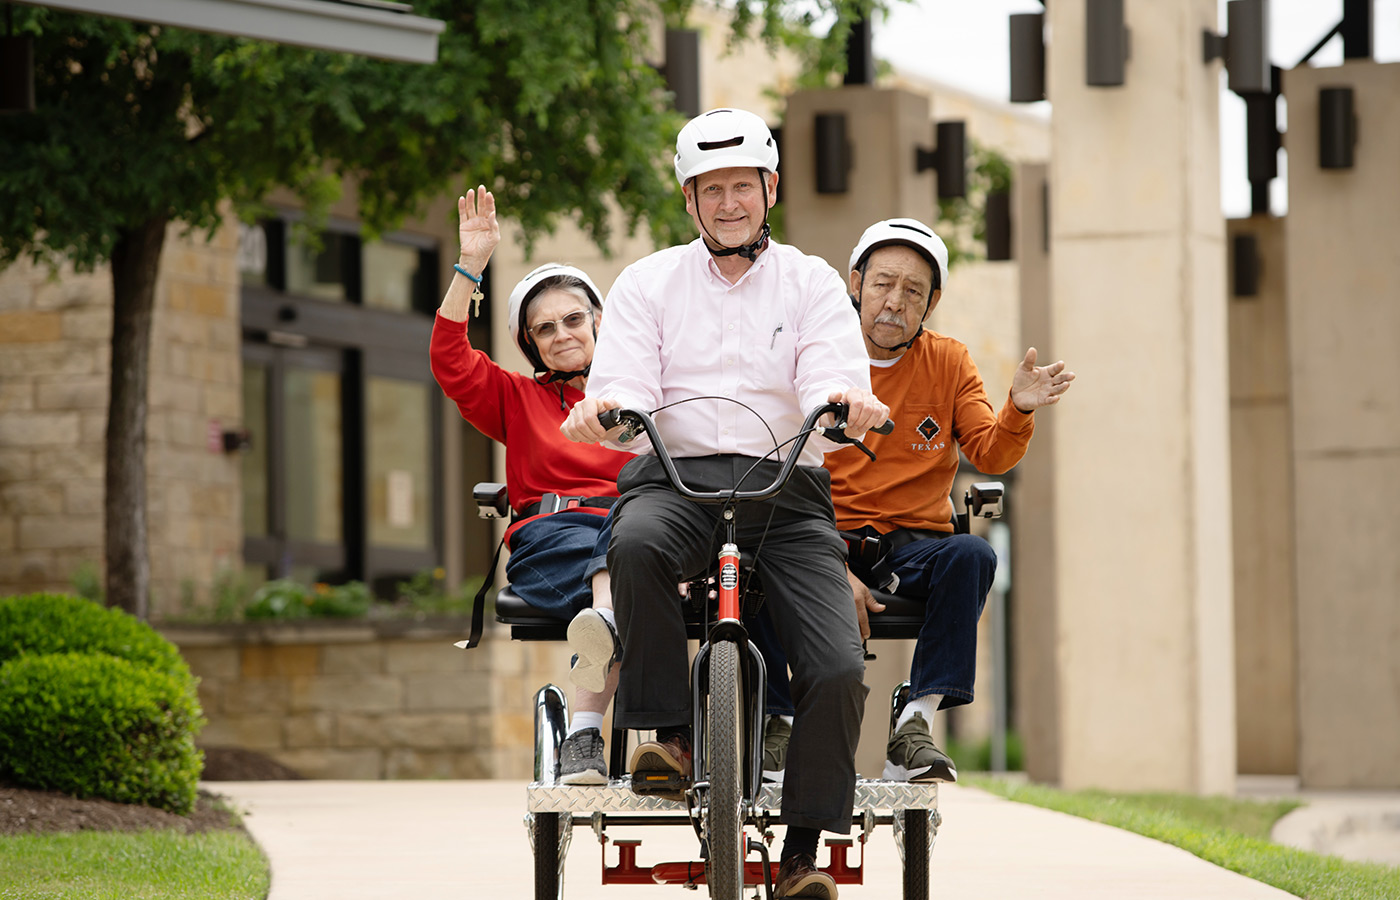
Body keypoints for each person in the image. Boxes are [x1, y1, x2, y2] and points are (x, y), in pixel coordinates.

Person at [560, 107, 888, 900]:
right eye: (712, 189)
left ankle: (802, 856)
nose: (729, 202)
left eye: (743, 185)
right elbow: (629, 380)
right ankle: (669, 736)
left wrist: (847, 403)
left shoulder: (810, 281)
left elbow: (829, 378)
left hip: (788, 492)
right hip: (676, 481)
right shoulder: (648, 282)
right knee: (632, 545)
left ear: (770, 189)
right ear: (689, 200)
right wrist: (607, 409)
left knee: (839, 666)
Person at [829, 217, 1074, 783]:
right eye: (883, 283)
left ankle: (915, 722)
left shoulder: (949, 360)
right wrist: (833, 566)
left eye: (913, 291)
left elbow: (989, 453)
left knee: (974, 554)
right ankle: (776, 728)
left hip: (913, 548)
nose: (894, 302)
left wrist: (1020, 407)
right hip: (823, 541)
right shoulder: (817, 352)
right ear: (856, 282)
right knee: (760, 559)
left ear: (931, 302)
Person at [429, 186, 632, 786]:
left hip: (637, 539)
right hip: (552, 543)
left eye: (573, 319)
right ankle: (588, 730)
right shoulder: (517, 398)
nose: (562, 333)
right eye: (544, 329)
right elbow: (450, 360)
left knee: (639, 539)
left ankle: (671, 738)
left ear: (599, 322)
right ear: (531, 345)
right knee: (627, 561)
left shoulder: (644, 395)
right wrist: (472, 265)